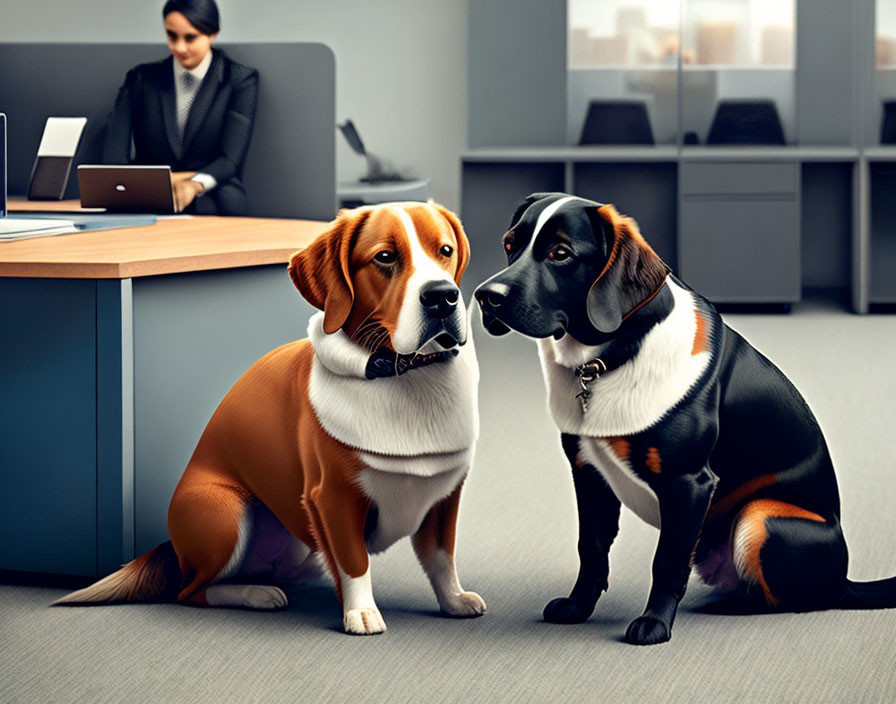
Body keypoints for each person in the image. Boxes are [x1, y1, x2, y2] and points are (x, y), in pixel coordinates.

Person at [103, 0, 258, 214]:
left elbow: (229, 161)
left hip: (210, 195)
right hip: (147, 195)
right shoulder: (140, 80)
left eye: (190, 37)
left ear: (212, 34)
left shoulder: (239, 80)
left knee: (226, 201)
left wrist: (194, 183)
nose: (179, 47)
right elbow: (113, 158)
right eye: (171, 36)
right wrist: (161, 182)